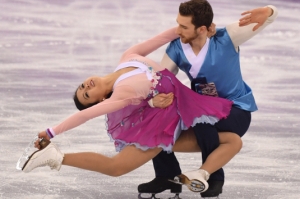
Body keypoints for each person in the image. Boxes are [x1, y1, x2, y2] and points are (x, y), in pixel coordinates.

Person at [21, 25, 236, 197]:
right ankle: (55, 157)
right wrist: (51, 132)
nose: (85, 87)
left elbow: (161, 38)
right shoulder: (120, 95)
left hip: (181, 109)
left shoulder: (127, 57)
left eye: (82, 87)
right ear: (102, 99)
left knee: (233, 140)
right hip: (163, 126)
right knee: (116, 168)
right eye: (86, 95)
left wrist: (191, 27)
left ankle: (186, 175)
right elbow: (84, 115)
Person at [137, 0, 278, 198]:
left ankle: (214, 178)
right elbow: (161, 81)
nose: (177, 30)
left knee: (201, 121)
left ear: (202, 29)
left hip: (236, 110)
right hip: (203, 110)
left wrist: (269, 10)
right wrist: (151, 101)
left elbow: (271, 15)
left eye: (184, 26)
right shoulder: (176, 48)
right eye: (178, 23)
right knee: (159, 118)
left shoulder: (227, 37)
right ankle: (166, 175)